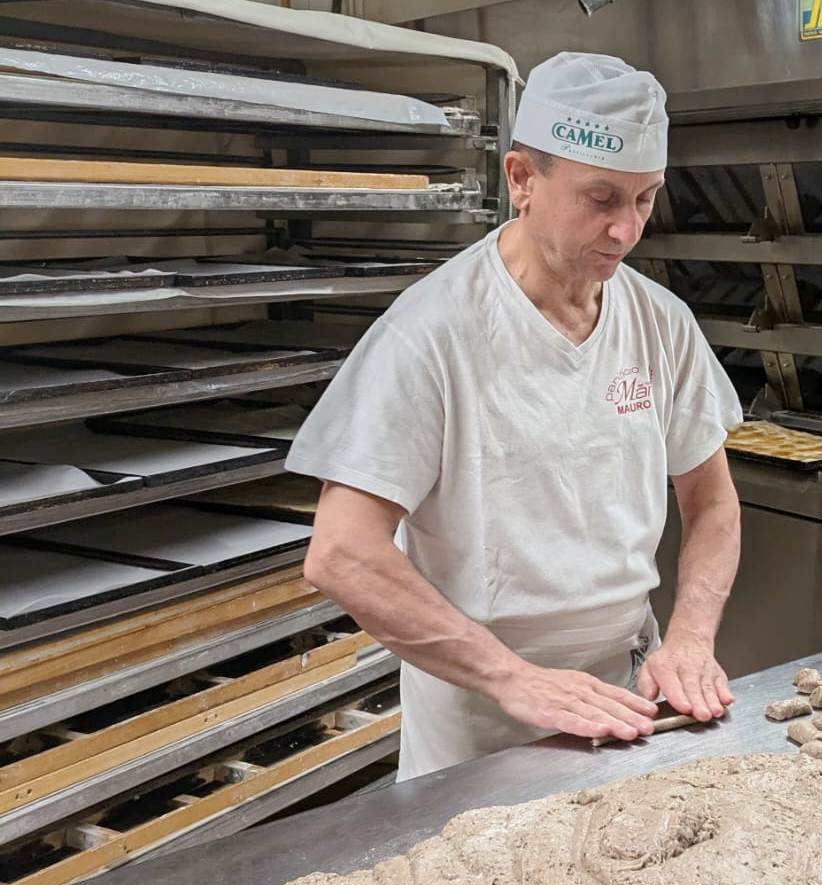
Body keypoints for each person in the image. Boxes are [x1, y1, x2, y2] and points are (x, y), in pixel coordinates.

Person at [286, 52, 743, 781]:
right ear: (522, 180)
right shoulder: (433, 333)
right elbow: (341, 553)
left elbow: (711, 499)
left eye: (645, 200)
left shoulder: (659, 321)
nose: (626, 231)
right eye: (600, 199)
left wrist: (688, 636)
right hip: (483, 717)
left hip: (630, 689)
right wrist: (511, 679)